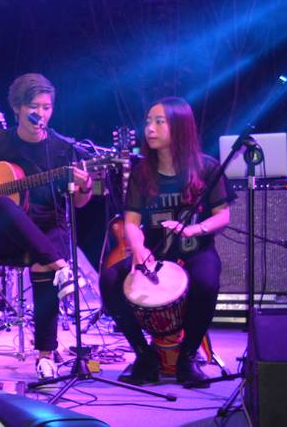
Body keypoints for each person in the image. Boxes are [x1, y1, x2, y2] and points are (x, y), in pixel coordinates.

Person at [0, 73, 93, 381]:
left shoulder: (64, 149)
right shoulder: (3, 141)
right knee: (3, 203)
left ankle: (45, 357)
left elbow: (78, 204)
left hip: (51, 227)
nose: (41, 114)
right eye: (34, 107)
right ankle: (63, 268)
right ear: (18, 109)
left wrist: (86, 186)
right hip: (9, 234)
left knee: (43, 264)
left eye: (47, 107)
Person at [99, 96, 232, 386]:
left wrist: (195, 230)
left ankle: (187, 357)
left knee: (207, 282)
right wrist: (139, 249)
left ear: (180, 127)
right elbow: (131, 222)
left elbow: (223, 215)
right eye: (148, 121)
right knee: (109, 280)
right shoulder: (141, 173)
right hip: (156, 251)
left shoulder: (206, 167)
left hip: (196, 249)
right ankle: (144, 356)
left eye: (159, 122)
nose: (150, 128)